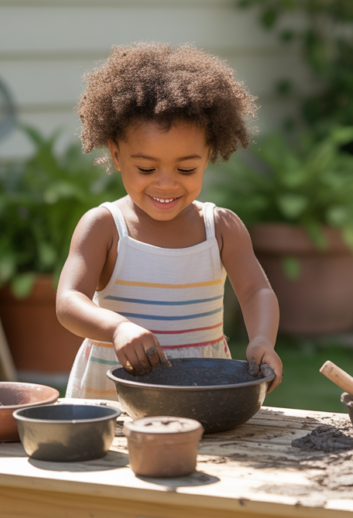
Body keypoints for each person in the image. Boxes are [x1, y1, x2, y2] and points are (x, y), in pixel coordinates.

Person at [57, 42, 283, 400]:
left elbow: (257, 290)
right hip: (114, 392)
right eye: (147, 169)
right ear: (116, 155)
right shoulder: (104, 227)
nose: (166, 184)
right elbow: (69, 301)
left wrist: (262, 340)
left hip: (201, 389)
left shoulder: (220, 229)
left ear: (208, 155)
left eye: (186, 169)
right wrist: (117, 328)